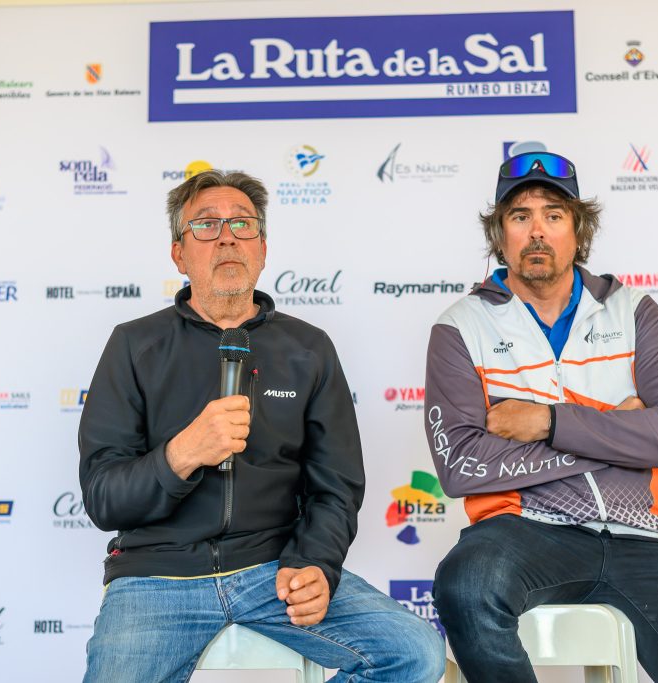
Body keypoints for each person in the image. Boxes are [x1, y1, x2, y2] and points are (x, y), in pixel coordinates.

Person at [79, 170, 444, 683]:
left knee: (415, 653)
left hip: (274, 570)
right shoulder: (134, 346)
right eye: (206, 225)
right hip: (156, 576)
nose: (227, 237)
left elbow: (335, 487)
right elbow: (103, 497)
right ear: (179, 254)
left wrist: (315, 562)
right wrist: (183, 454)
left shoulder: (308, 349)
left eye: (242, 224)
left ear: (263, 249)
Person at [424, 152, 658, 682]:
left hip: (644, 536)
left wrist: (549, 422)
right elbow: (462, 466)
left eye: (554, 215)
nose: (538, 231)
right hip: (525, 531)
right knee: (465, 584)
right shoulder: (461, 326)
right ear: (499, 235)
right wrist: (619, 436)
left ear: (578, 231)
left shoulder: (634, 310)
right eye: (520, 216)